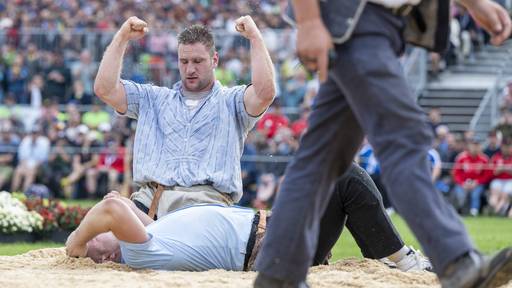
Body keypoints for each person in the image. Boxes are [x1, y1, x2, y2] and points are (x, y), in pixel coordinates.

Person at [254, 0, 512, 288]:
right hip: (360, 21)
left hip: (372, 26)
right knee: (405, 142)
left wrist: (475, 4)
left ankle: (278, 273)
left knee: (321, 157)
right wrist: (309, 19)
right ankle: (456, 260)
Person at [66, 163, 431, 273]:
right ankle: (399, 260)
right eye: (100, 233)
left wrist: (119, 206)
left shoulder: (151, 238)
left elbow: (117, 205)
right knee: (341, 173)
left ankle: (389, 256)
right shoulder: (138, 253)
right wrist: (76, 243)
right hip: (272, 247)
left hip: (272, 234)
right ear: (109, 255)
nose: (97, 223)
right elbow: (110, 210)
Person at [93, 15, 276, 219]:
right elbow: (105, 89)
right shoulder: (154, 98)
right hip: (150, 203)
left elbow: (264, 93)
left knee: (154, 239)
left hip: (206, 207)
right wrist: (122, 37)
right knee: (98, 244)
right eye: (184, 61)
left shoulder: (231, 101)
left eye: (198, 61)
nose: (190, 69)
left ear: (214, 60)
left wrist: (255, 38)